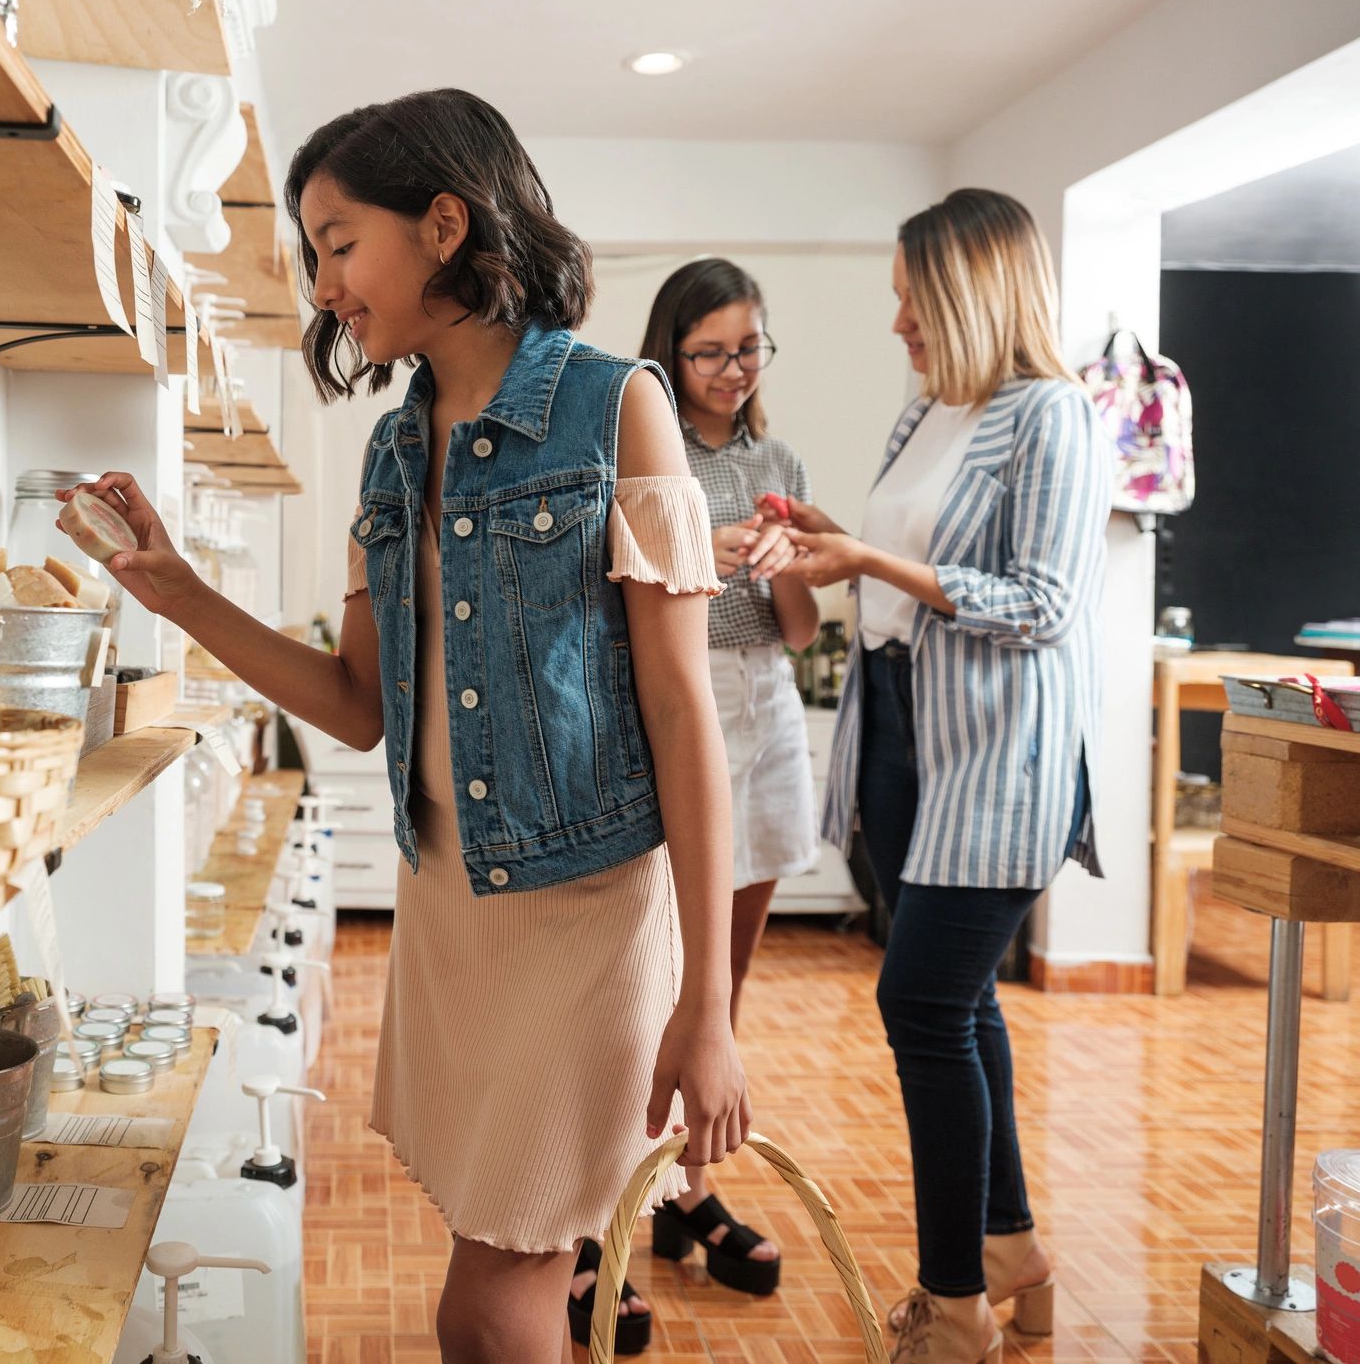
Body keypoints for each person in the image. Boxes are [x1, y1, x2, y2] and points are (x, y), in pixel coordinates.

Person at [61, 88, 750, 1364]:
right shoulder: (389, 449)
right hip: (454, 911)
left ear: (443, 223)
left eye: (336, 243)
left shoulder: (619, 408)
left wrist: (706, 1003)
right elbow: (358, 705)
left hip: (588, 917)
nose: (323, 285)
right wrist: (180, 592)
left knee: (486, 1309)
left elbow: (679, 709)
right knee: (505, 1283)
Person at [779, 189, 1111, 1363]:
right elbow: (900, 568)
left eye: (909, 297)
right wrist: (834, 534)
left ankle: (958, 1302)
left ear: (968, 288)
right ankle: (1012, 1246)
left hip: (999, 765)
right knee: (957, 1002)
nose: (898, 323)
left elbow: (1045, 604)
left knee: (917, 1003)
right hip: (902, 743)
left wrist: (870, 556)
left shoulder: (1050, 418)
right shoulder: (929, 411)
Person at [609, 258, 818, 1304]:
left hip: (766, 703)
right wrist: (704, 549)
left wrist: (787, 566)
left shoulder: (776, 454)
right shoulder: (643, 443)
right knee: (655, 971)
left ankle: (687, 1187)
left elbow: (803, 631)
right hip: (678, 705)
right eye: (709, 350)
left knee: (720, 988)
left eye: (749, 347)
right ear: (668, 349)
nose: (733, 369)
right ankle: (617, 1200)